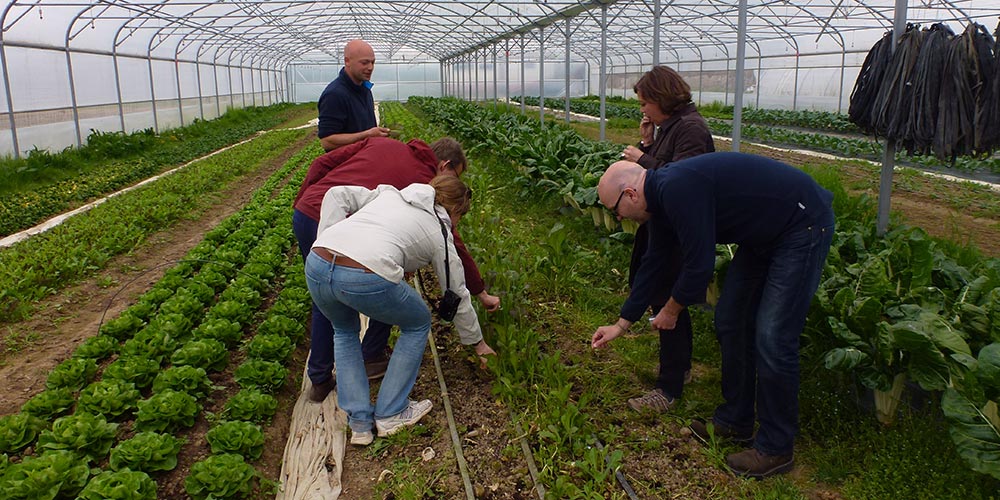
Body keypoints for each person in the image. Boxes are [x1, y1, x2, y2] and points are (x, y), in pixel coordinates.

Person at [591, 152, 834, 479]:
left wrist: (670, 310)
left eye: (614, 210)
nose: (618, 217)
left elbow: (699, 266)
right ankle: (736, 419)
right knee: (730, 320)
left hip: (800, 225)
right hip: (763, 236)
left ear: (631, 194)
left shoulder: (677, 188)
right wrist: (621, 324)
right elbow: (655, 262)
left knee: (773, 336)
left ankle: (776, 447)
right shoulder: (659, 200)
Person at [292, 136, 501, 403]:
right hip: (337, 220)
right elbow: (452, 254)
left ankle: (321, 379)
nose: (455, 183)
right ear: (445, 165)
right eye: (455, 175)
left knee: (329, 298)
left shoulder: (385, 146)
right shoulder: (425, 188)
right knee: (386, 292)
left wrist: (305, 201)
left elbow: (322, 163)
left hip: (312, 211)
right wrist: (480, 295)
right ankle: (375, 372)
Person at [304, 176, 495, 446]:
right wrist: (478, 343)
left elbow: (337, 193)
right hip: (365, 274)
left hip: (318, 263)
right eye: (460, 217)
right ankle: (391, 412)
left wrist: (327, 236)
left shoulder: (390, 194)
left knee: (344, 331)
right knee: (417, 321)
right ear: (454, 210)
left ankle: (359, 423)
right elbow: (456, 292)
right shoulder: (438, 229)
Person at [618, 66, 715, 414]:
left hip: (678, 227)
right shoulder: (674, 126)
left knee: (666, 298)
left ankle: (669, 387)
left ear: (662, 98)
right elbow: (665, 169)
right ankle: (680, 369)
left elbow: (681, 181)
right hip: (664, 220)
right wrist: (648, 141)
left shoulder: (691, 129)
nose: (643, 109)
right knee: (657, 290)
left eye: (645, 103)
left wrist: (642, 157)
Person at [317, 39, 389, 152]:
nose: (370, 67)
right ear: (347, 61)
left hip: (365, 161)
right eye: (364, 63)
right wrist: (367, 135)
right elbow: (327, 141)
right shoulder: (335, 95)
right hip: (347, 166)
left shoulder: (365, 89)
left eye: (373, 62)